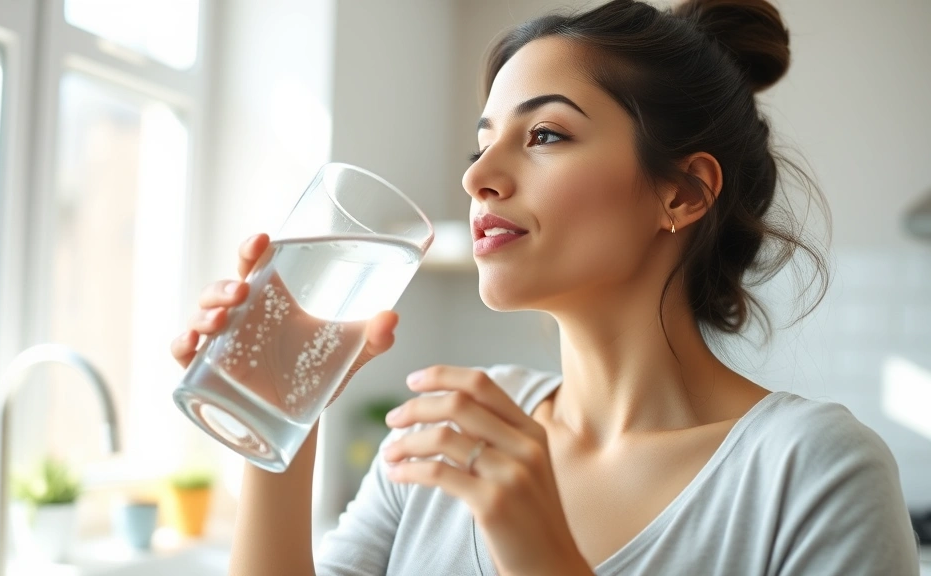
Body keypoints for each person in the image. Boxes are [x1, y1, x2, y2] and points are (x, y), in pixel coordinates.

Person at [171, 0, 920, 574]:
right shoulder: (454, 432)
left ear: (684, 193)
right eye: (482, 141)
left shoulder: (815, 471)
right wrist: (278, 413)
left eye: (545, 135)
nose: (476, 177)